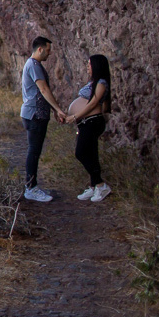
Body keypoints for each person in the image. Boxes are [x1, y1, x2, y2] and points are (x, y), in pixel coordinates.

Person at [20, 36, 67, 202]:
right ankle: (31, 188)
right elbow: (44, 90)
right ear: (39, 49)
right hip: (34, 115)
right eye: (48, 50)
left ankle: (31, 186)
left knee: (35, 150)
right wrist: (59, 109)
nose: (49, 53)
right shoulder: (34, 65)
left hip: (35, 114)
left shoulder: (33, 65)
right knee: (33, 151)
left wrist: (54, 110)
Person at [69, 54, 113, 202]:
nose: (87, 66)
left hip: (92, 121)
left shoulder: (101, 82)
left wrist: (75, 116)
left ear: (97, 65)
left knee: (80, 153)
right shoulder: (94, 82)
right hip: (86, 122)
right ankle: (94, 186)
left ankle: (100, 185)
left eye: (89, 64)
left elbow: (94, 103)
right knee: (91, 154)